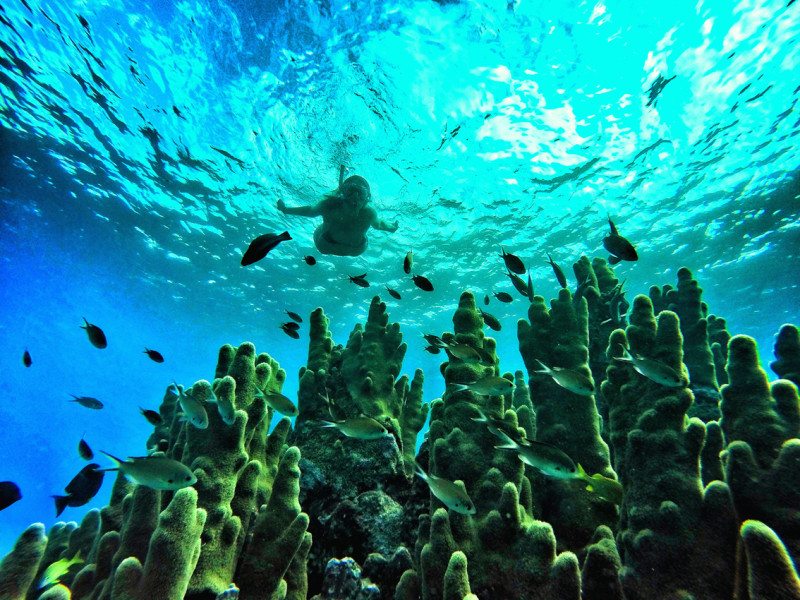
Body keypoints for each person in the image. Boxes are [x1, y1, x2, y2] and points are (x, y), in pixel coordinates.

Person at [277, 166, 398, 257]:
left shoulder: (368, 212)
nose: (355, 196)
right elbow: (310, 210)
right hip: (328, 245)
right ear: (342, 192)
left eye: (360, 192)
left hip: (348, 248)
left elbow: (379, 224)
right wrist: (286, 210)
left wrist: (390, 227)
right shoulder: (329, 204)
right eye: (350, 190)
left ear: (367, 197)